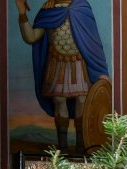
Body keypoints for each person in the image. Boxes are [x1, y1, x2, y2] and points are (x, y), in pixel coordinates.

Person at [15, 0, 109, 152]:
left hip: (78, 63)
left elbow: (93, 42)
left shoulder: (82, 8)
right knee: (59, 101)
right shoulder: (48, 10)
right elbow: (31, 37)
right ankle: (62, 149)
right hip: (56, 63)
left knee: (82, 101)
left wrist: (101, 71)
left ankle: (81, 147)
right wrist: (22, 14)